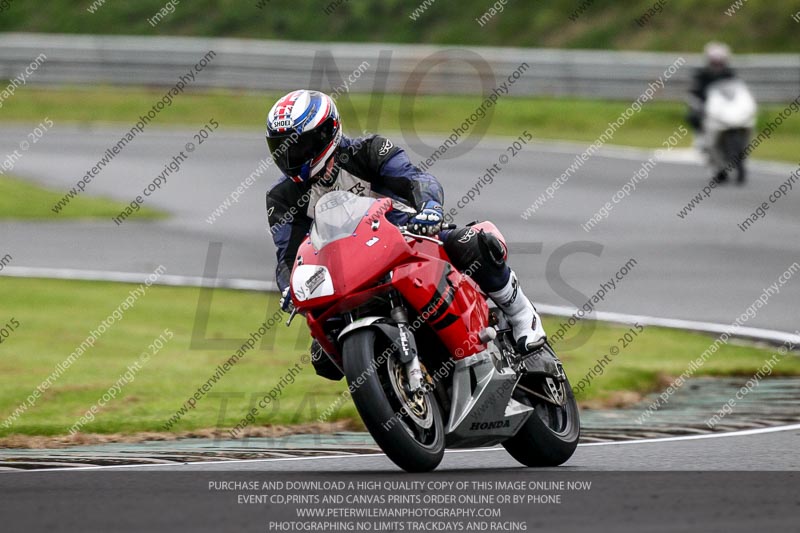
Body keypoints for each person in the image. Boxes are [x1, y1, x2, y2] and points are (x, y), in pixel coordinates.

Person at [265, 90, 546, 379]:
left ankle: (522, 314)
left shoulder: (370, 150)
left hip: (407, 238)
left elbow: (416, 179)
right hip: (345, 272)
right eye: (281, 148)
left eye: (298, 146)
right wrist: (290, 287)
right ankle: (391, 386)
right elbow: (288, 255)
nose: (289, 157)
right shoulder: (282, 197)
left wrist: (430, 208)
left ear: (326, 133)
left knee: (470, 243)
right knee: (323, 356)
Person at [687, 42, 736, 134]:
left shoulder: (729, 75)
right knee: (694, 116)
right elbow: (694, 94)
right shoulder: (701, 75)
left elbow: (737, 91)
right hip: (706, 110)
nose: (717, 66)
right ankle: (701, 138)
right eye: (714, 63)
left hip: (726, 109)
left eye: (719, 63)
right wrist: (699, 106)